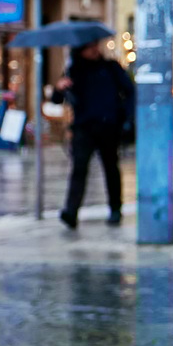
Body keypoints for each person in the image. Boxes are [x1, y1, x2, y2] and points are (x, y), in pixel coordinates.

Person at [55, 39, 134, 229]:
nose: (94, 50)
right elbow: (57, 100)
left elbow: (130, 91)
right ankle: (71, 211)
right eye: (89, 47)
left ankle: (115, 208)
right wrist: (60, 88)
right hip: (83, 127)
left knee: (110, 168)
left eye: (95, 46)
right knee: (79, 168)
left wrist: (126, 118)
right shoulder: (74, 70)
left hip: (109, 126)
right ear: (80, 50)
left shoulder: (110, 67)